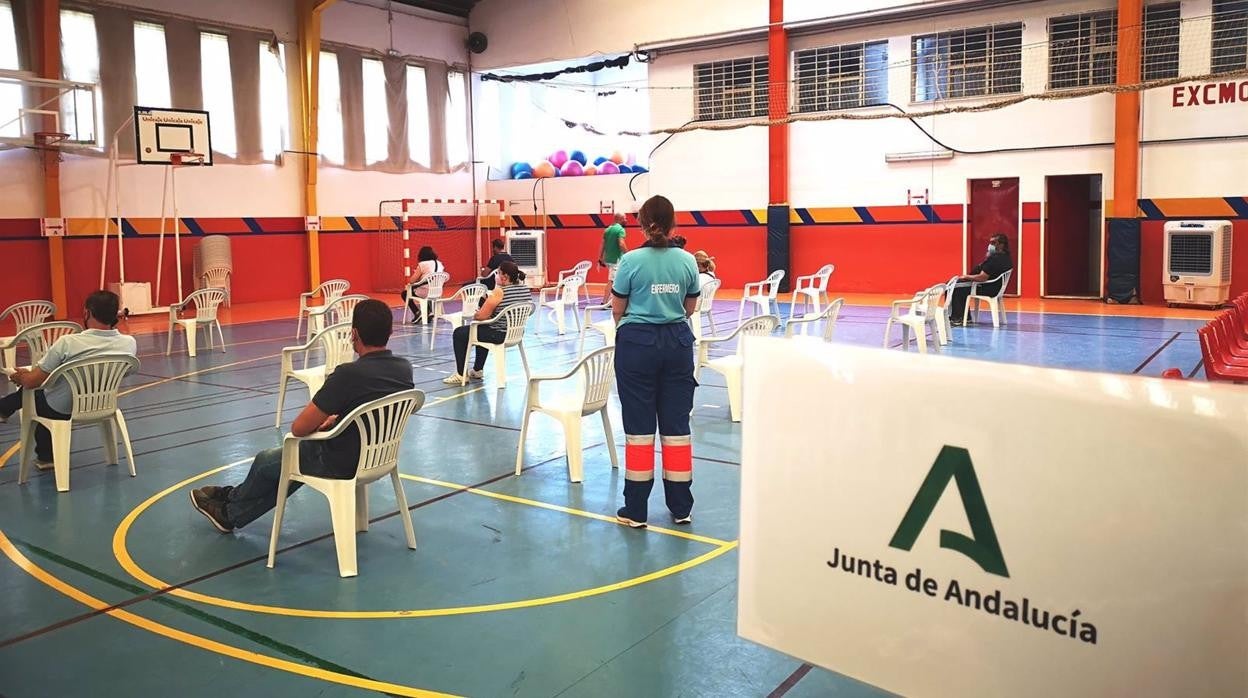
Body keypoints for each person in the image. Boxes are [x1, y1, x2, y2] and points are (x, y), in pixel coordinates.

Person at [189, 299, 414, 533]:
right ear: (390, 331)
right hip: (381, 458)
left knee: (268, 460)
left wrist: (325, 423)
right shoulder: (404, 369)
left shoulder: (348, 374)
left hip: (341, 461)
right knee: (288, 467)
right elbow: (374, 409)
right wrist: (339, 420)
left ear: (354, 333)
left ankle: (230, 504)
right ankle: (230, 509)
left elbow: (299, 428)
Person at [610, 195, 700, 528]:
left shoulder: (630, 261)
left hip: (637, 345)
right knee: (677, 429)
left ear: (642, 223)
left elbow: (618, 308)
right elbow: (690, 308)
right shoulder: (688, 260)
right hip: (677, 344)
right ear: (672, 222)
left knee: (639, 428)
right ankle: (681, 507)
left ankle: (636, 510)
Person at [0, 290, 137, 469]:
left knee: (35, 394)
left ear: (86, 312)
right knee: (41, 394)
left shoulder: (68, 343)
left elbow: (32, 381)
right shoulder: (129, 343)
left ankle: (46, 457)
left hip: (62, 408)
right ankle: (3, 410)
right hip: (103, 406)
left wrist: (18, 376)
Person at [444, 261, 532, 384]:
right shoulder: (525, 289)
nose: (496, 276)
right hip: (516, 333)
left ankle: (460, 374)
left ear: (505, 276)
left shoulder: (499, 291)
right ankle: (477, 370)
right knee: (483, 328)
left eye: (498, 273)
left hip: (498, 334)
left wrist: (476, 313)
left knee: (459, 333)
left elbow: (481, 316)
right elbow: (530, 310)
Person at [949, 233, 1014, 325]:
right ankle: (963, 317)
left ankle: (958, 318)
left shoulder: (995, 259)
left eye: (993, 243)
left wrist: (966, 276)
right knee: (957, 284)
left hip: (987, 288)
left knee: (954, 286)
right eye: (990, 242)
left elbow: (982, 277)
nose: (990, 245)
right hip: (995, 288)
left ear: (1001, 244)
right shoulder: (1006, 257)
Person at [400, 246, 446, 323]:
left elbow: (412, 281)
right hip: (437, 291)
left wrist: (418, 275)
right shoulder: (439, 263)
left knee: (405, 293)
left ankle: (417, 313)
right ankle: (429, 311)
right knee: (426, 290)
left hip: (425, 291)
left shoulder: (422, 264)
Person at [598, 212, 629, 303]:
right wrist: (628, 254)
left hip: (608, 260)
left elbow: (602, 244)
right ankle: (604, 302)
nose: (626, 220)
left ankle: (612, 301)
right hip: (616, 260)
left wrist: (600, 257)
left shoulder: (607, 230)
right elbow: (621, 243)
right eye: (625, 218)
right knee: (611, 281)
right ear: (620, 219)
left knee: (616, 280)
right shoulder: (620, 230)